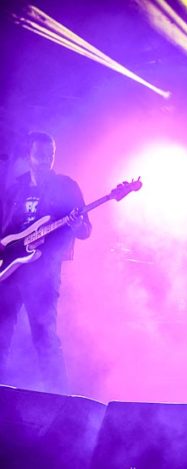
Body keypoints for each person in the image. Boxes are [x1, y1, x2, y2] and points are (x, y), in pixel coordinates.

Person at [0, 131, 91, 393]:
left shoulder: (66, 186)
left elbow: (86, 230)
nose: (45, 160)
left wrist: (75, 225)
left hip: (43, 273)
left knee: (44, 336)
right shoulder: (16, 189)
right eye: (40, 154)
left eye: (50, 155)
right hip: (10, 271)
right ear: (29, 155)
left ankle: (57, 397)